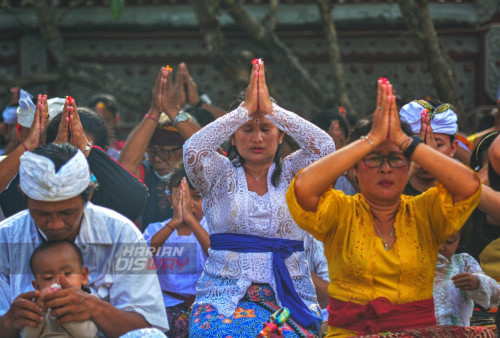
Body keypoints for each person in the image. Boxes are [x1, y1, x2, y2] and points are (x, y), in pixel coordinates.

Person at [286, 78, 481, 336]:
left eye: (395, 160)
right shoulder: (340, 211)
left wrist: (408, 144)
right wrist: (370, 140)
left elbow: (468, 186)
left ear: (409, 165)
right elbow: (303, 188)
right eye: (374, 159)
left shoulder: (426, 211)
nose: (386, 168)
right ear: (354, 169)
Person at [184, 60, 334, 336]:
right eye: (247, 129)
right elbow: (192, 149)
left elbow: (326, 148)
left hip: (289, 298)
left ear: (280, 136)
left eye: (266, 129)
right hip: (224, 298)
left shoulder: (294, 173)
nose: (257, 138)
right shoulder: (219, 173)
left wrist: (273, 111)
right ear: (233, 136)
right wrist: (242, 113)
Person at [0, 142, 169, 337]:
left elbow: (148, 327)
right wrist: (11, 321)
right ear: (24, 195)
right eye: (41, 213)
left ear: (88, 196)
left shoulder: (122, 233)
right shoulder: (5, 238)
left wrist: (94, 308)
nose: (55, 224)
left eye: (67, 212)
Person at [0, 97, 148, 222]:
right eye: (65, 154)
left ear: (102, 151)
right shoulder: (38, 195)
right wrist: (41, 149)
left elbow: (136, 199)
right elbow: (12, 208)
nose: (72, 163)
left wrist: (87, 149)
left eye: (81, 154)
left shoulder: (107, 192)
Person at [119, 65, 201, 229]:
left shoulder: (202, 172)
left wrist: (173, 111)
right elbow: (124, 169)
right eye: (153, 151)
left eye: (165, 152)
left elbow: (207, 147)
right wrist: (155, 111)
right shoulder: (146, 172)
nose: (156, 159)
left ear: (186, 151)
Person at [143, 164, 209, 338]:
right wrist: (174, 222)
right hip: (163, 306)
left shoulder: (211, 229)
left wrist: (190, 220)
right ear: (168, 196)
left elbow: (218, 256)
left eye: (197, 197)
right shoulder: (155, 229)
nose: (189, 205)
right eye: (181, 198)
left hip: (203, 306)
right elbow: (141, 257)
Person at [20, 240, 98, 338]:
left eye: (67, 274)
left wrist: (61, 311)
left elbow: (87, 335)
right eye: (49, 278)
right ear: (38, 286)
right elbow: (27, 336)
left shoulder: (90, 301)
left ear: (83, 276)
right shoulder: (36, 305)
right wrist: (40, 311)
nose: (59, 282)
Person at [434, 230, 500, 327]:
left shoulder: (463, 263)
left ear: (460, 240)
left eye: (449, 242)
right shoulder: (408, 267)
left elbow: (495, 297)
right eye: (433, 241)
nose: (440, 247)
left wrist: (478, 283)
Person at [399, 99, 459, 196]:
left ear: (453, 149)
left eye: (438, 145)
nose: (426, 153)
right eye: (417, 143)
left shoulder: (463, 190)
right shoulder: (388, 190)